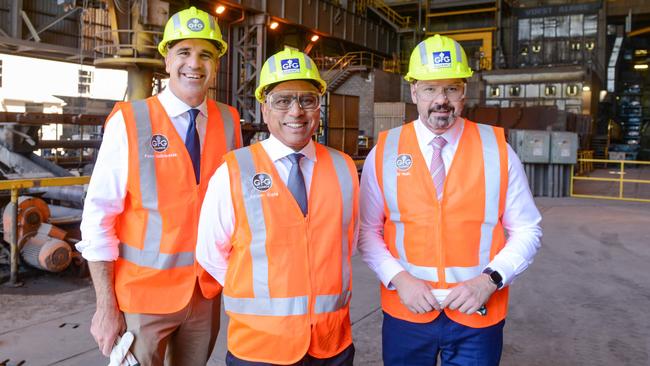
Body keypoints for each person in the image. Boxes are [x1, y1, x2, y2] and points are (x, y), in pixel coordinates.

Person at [358, 34, 542, 365]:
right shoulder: (384, 153)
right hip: (407, 310)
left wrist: (490, 281)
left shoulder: (497, 150)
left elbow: (528, 229)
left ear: (464, 91)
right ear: (413, 90)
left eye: (451, 89)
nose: (441, 100)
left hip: (477, 311)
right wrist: (401, 281)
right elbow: (367, 231)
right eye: (430, 89)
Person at [76, 7, 242, 365]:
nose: (194, 64)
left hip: (204, 297)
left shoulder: (230, 122)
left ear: (216, 64)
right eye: (183, 52)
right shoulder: (130, 122)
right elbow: (98, 218)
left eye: (206, 55)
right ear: (167, 59)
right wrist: (105, 307)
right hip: (141, 301)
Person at [196, 46, 359, 366]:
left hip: (331, 344)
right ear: (264, 107)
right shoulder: (234, 171)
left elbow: (345, 244)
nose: (296, 111)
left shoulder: (344, 168)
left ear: (318, 107)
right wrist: (259, 292)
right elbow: (210, 252)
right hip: (260, 348)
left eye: (307, 100)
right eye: (283, 100)